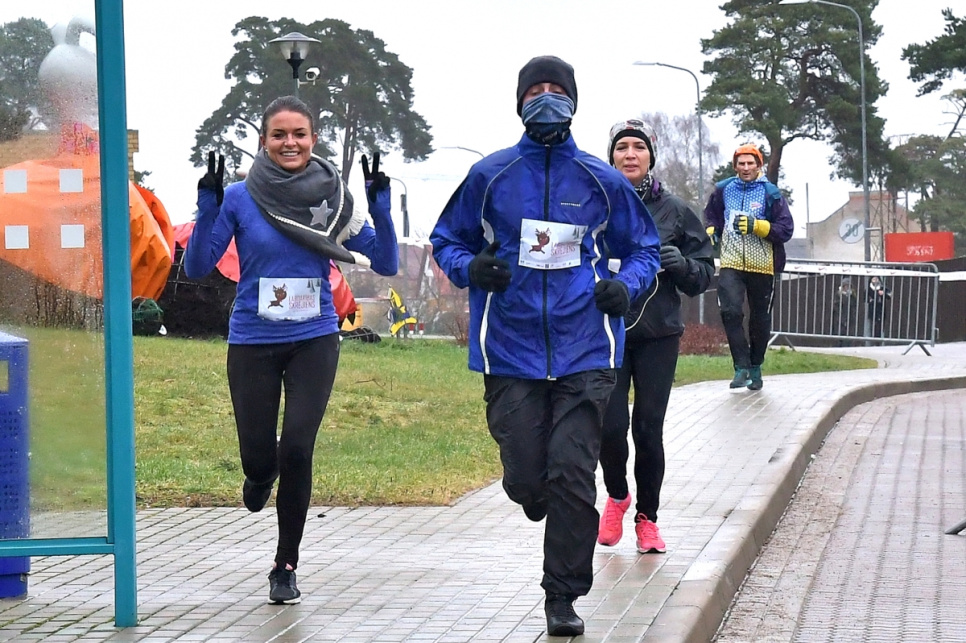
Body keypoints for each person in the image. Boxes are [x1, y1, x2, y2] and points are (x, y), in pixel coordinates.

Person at [430, 56, 660, 637]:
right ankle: (532, 492)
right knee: (528, 479)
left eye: (558, 90)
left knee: (573, 473)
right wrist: (471, 268)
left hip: (586, 347)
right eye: (536, 91)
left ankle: (562, 596)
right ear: (519, 103)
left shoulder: (602, 180)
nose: (547, 99)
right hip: (511, 349)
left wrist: (624, 287)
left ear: (574, 102)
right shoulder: (491, 175)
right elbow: (447, 240)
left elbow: (644, 250)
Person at [185, 96, 398, 605]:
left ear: (313, 140)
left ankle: (285, 565)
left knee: (297, 448)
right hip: (253, 341)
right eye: (279, 134)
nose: (289, 143)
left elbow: (387, 261)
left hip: (314, 338)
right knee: (260, 458)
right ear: (263, 141)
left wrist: (380, 209)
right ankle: (260, 476)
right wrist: (208, 209)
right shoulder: (240, 198)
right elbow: (197, 266)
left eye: (299, 134)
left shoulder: (332, 199)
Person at [597, 120, 715, 555]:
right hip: (606, 333)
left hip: (658, 334)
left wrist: (682, 264)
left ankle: (647, 519)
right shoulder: (594, 203)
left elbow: (705, 274)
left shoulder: (676, 211)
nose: (630, 154)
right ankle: (617, 496)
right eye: (622, 147)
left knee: (648, 429)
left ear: (651, 156)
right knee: (609, 426)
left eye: (638, 147)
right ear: (611, 157)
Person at [704, 144, 794, 390]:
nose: (745, 168)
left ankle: (755, 366)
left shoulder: (770, 193)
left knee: (759, 320)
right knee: (730, 311)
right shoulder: (724, 190)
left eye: (750, 163)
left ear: (758, 165)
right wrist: (712, 228)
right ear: (735, 166)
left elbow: (786, 229)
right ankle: (740, 366)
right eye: (741, 163)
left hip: (763, 265)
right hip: (731, 262)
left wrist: (758, 226)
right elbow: (711, 214)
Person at [833, 277, 859, 346]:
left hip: (850, 316)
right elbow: (836, 305)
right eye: (845, 286)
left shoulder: (852, 295)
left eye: (848, 286)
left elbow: (854, 304)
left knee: (849, 333)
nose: (847, 287)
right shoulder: (838, 294)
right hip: (840, 317)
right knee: (840, 332)